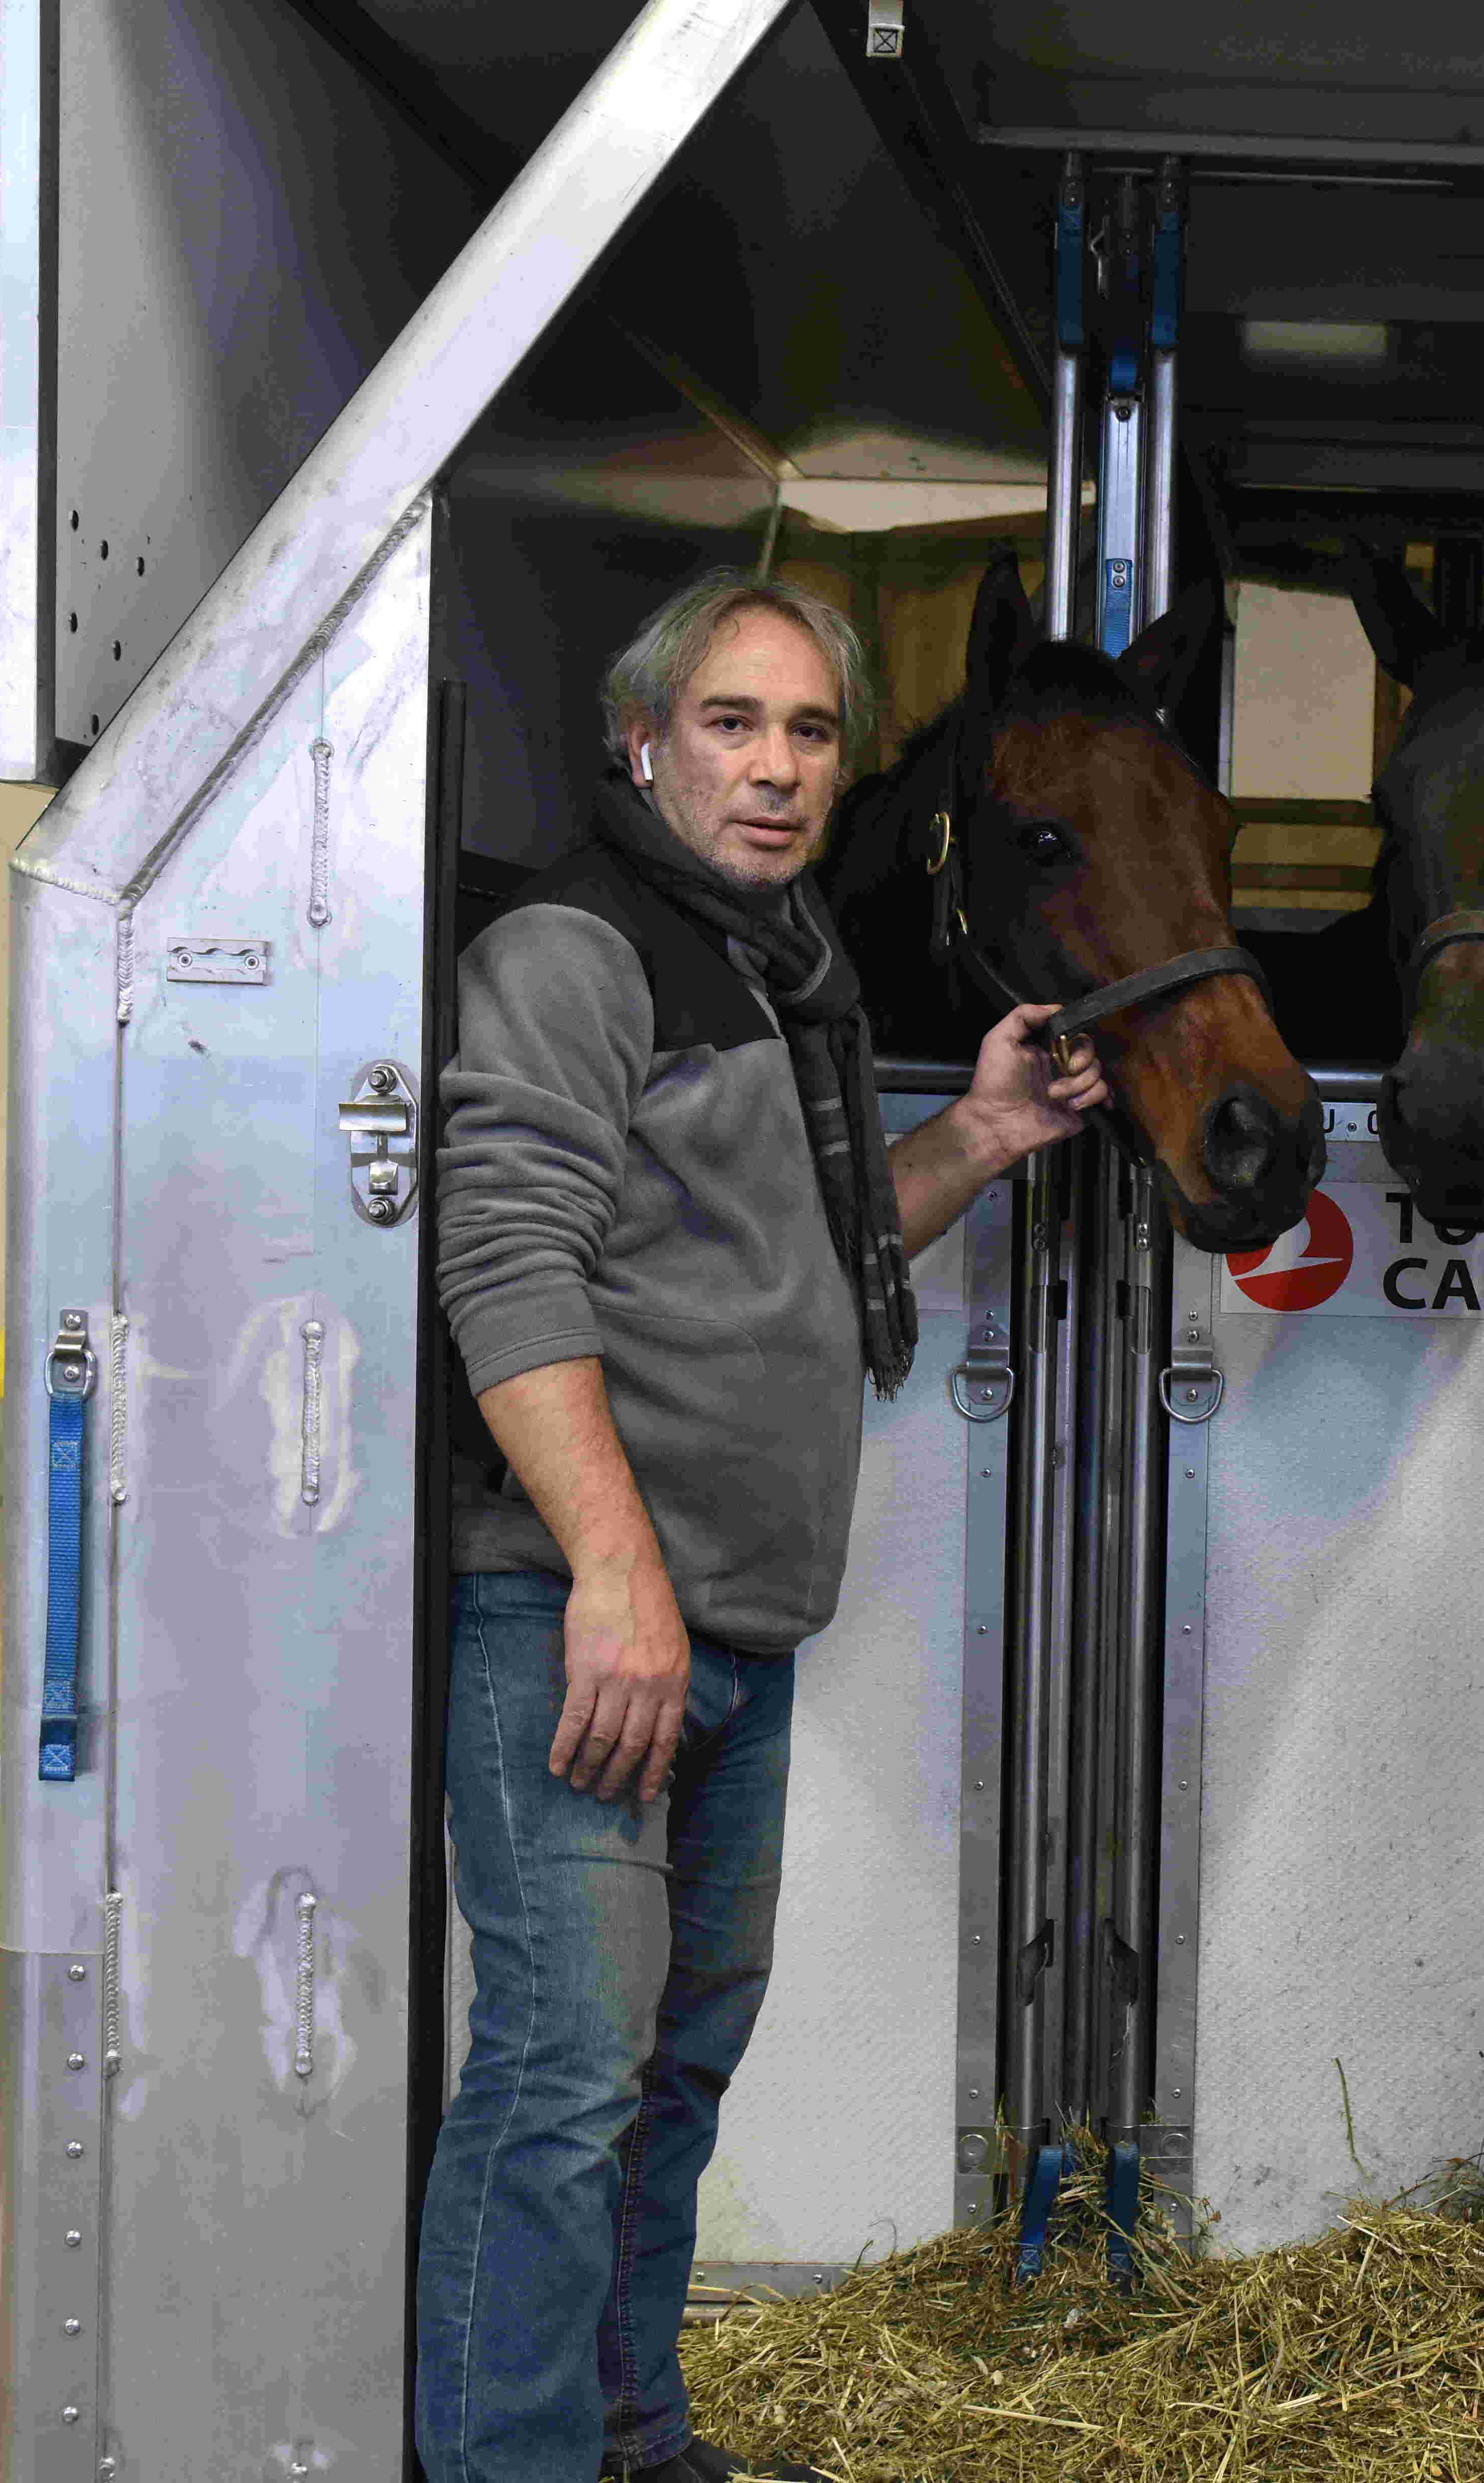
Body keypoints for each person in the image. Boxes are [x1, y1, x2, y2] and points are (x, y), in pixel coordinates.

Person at [416, 571, 1105, 2483]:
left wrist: (977, 1134)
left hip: (731, 1625)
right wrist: (613, 1571)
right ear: (644, 743)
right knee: (564, 2075)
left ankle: (633, 2442)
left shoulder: (783, 961)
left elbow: (802, 1250)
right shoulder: (578, 949)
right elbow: (505, 1261)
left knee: (668, 2075)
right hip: (581, 1617)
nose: (777, 767)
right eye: (732, 723)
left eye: (810, 731)